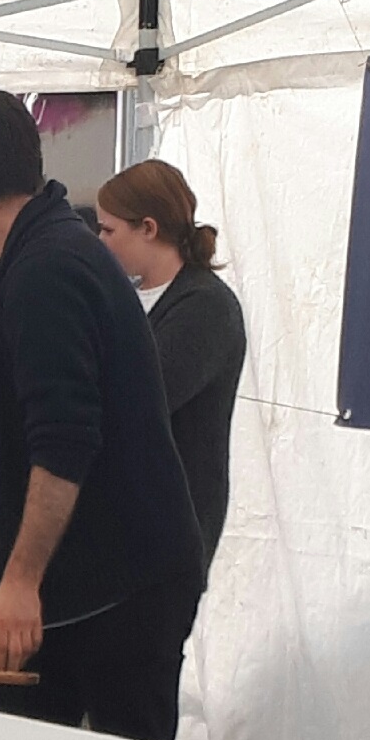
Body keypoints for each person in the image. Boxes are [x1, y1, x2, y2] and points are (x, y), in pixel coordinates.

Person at [0, 89, 202, 740]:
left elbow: (63, 440)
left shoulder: (47, 270)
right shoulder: (37, 256)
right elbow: (5, 432)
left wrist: (20, 578)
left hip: (112, 591)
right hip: (88, 586)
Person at [96, 158, 248, 571]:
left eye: (109, 230)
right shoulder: (126, 298)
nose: (100, 240)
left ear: (148, 228)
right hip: (122, 523)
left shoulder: (205, 306)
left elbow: (142, 399)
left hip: (168, 529)